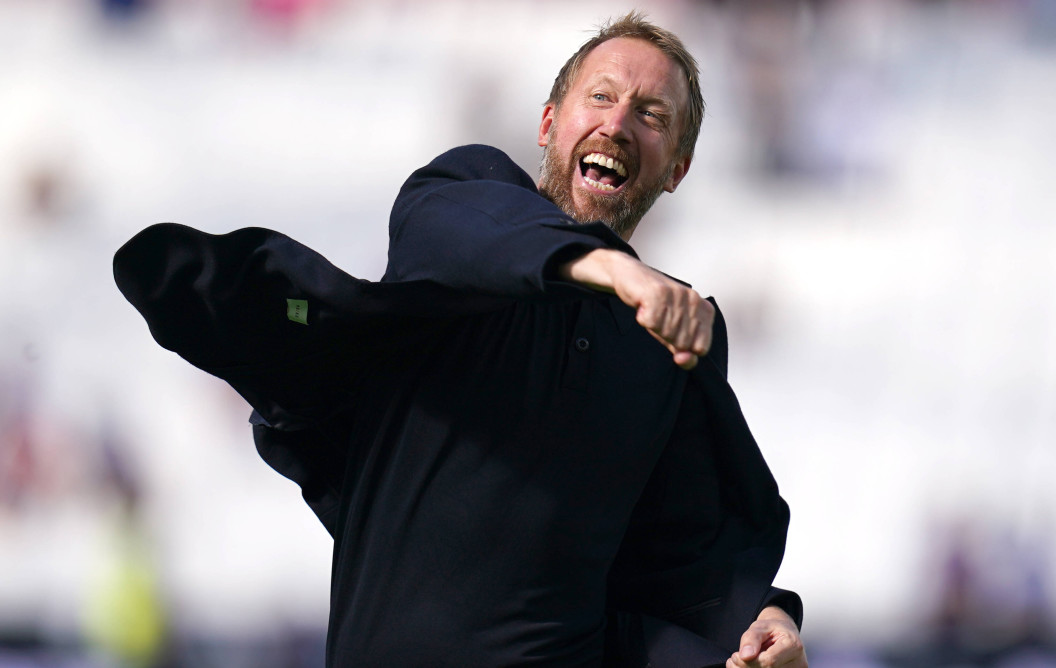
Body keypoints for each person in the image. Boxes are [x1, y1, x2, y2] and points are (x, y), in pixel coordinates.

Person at [114, 12, 806, 668]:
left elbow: (685, 566)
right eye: (600, 97)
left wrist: (763, 620)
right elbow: (458, 229)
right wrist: (614, 269)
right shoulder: (463, 205)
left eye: (652, 115)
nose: (618, 122)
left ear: (677, 169)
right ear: (548, 124)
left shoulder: (666, 347)